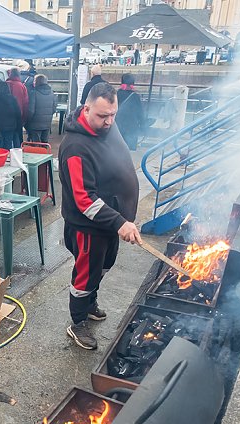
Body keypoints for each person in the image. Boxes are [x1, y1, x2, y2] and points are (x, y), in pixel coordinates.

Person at [58, 82, 142, 351]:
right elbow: (84, 200)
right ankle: (77, 321)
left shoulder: (107, 125)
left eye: (113, 115)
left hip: (112, 221)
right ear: (87, 109)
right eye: (102, 116)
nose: (109, 122)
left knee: (104, 265)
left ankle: (90, 301)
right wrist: (120, 222)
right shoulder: (75, 148)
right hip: (87, 227)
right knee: (85, 274)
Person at [115, 73, 146, 151]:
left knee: (117, 150)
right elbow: (140, 114)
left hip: (118, 127)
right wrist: (143, 126)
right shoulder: (135, 97)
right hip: (131, 128)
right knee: (130, 151)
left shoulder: (116, 95)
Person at [0, 81, 22, 149]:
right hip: (11, 126)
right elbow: (18, 113)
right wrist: (18, 127)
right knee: (8, 145)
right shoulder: (12, 99)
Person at [26, 74, 57, 143]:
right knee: (45, 143)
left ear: (37, 82)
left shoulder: (34, 93)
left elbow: (31, 111)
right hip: (47, 123)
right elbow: (54, 109)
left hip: (35, 124)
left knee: (36, 143)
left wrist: (27, 121)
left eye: (34, 81)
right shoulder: (52, 93)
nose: (33, 82)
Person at [6, 68, 29, 145]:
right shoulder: (22, 86)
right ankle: (18, 153)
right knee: (18, 138)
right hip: (18, 116)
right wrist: (24, 118)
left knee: (6, 140)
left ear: (10, 74)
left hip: (5, 116)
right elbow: (25, 103)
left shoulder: (5, 84)